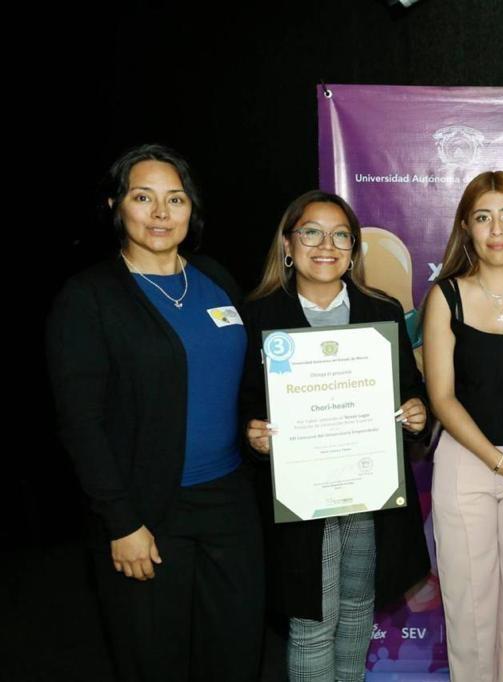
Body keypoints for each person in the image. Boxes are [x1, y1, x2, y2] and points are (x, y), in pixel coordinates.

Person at [47, 144, 264, 681]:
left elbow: (241, 381)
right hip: (145, 508)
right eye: (144, 198)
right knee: (154, 659)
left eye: (176, 199)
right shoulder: (89, 297)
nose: (162, 213)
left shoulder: (215, 276)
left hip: (230, 502)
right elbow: (81, 422)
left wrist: (254, 427)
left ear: (192, 209)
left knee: (236, 653)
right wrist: (121, 521)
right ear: (116, 206)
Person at [240, 190, 431, 682]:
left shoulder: (382, 312)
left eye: (340, 235)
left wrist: (416, 412)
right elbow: (243, 408)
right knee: (310, 625)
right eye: (311, 232)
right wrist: (254, 435)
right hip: (300, 503)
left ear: (353, 250)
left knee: (357, 616)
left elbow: (412, 392)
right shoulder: (258, 315)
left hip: (367, 496)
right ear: (288, 244)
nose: (326, 245)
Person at [422, 171, 503, 681]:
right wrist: (496, 460)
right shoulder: (445, 296)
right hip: (465, 462)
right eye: (483, 217)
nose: (496, 229)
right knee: (470, 611)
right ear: (466, 228)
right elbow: (442, 397)